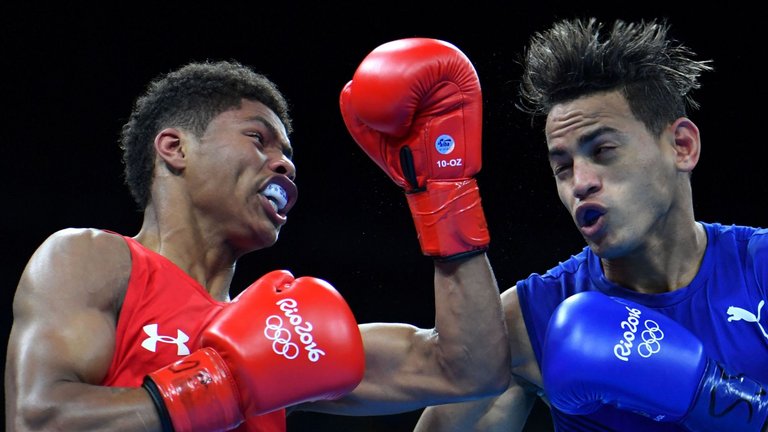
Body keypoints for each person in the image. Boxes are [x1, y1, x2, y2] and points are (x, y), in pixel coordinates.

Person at [5, 37, 511, 432]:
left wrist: (443, 193)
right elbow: (39, 419)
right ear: (175, 148)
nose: (284, 163)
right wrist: (221, 384)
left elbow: (469, 370)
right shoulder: (92, 258)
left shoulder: (285, 335)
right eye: (258, 138)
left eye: (288, 153)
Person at [415, 17, 768, 432]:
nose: (580, 183)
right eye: (562, 166)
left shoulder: (759, 268)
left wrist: (728, 405)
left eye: (603, 151)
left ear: (682, 146)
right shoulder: (531, 321)